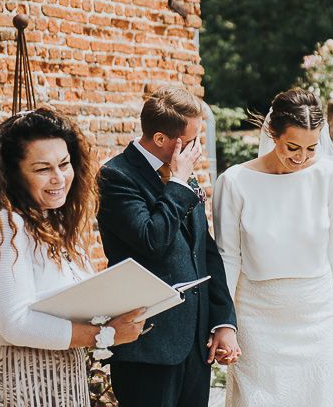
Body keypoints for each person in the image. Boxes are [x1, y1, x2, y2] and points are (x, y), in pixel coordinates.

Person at [0, 108, 147, 407]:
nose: (58, 178)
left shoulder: (56, 224)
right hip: (19, 378)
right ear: (15, 174)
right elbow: (15, 324)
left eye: (64, 164)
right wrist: (105, 334)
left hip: (66, 375)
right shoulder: (4, 224)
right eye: (43, 169)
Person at [213, 88, 333, 407]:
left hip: (319, 312)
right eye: (293, 146)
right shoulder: (234, 182)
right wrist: (225, 323)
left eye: (312, 148)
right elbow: (227, 258)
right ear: (272, 133)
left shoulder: (330, 176)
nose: (302, 157)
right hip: (257, 316)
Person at [97, 86, 239, 407]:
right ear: (161, 139)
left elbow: (204, 253)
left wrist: (222, 321)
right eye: (190, 141)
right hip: (147, 345)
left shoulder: (182, 175)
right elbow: (152, 240)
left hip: (194, 345)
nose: (197, 149)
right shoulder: (116, 177)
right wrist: (177, 184)